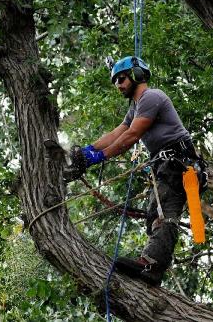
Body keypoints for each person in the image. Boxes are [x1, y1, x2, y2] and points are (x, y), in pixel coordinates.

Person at [77, 56, 201, 286]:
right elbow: (118, 132)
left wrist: (100, 156)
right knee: (154, 213)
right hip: (166, 166)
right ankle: (150, 263)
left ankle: (152, 265)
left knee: (163, 213)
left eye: (121, 78)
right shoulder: (135, 107)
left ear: (135, 74)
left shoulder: (151, 97)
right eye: (115, 81)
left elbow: (131, 136)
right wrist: (88, 151)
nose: (118, 85)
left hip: (178, 164)